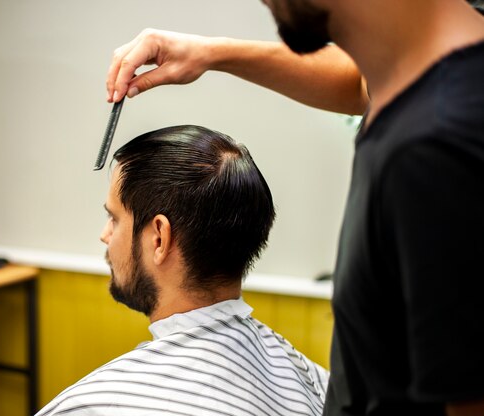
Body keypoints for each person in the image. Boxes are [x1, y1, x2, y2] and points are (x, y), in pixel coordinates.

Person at [104, 1, 484, 416]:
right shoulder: (422, 92)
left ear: (159, 236)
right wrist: (212, 52)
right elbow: (361, 85)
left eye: (112, 217)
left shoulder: (438, 144)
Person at [36, 125, 329, 415]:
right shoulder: (316, 382)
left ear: (159, 238)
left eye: (114, 218)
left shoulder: (93, 407)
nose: (105, 235)